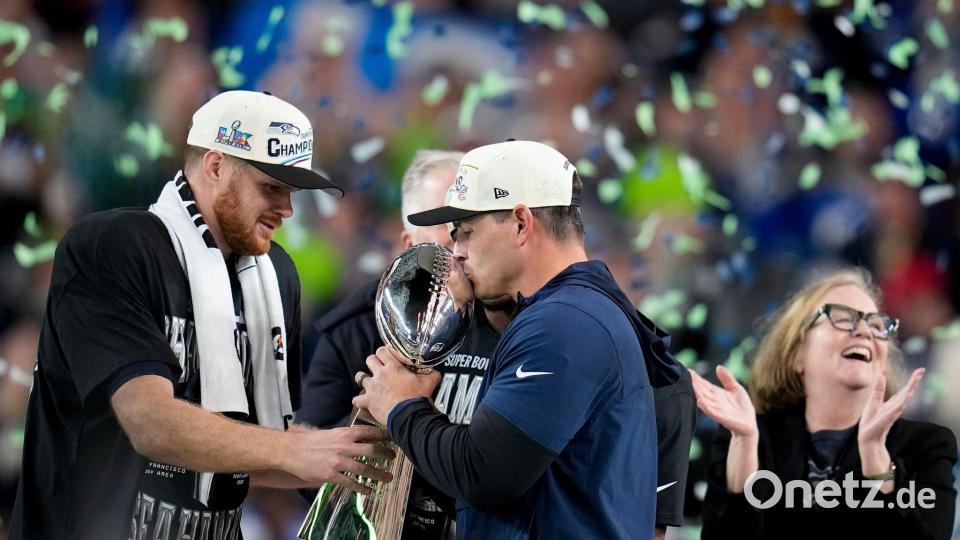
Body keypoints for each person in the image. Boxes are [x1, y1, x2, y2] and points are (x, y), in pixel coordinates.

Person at [10, 90, 394, 540]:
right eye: (271, 188)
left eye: (291, 192)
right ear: (215, 167)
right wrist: (299, 448)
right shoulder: (113, 247)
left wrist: (354, 453)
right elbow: (148, 421)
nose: (287, 210)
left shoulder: (275, 276)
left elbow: (254, 454)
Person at [353, 140, 683, 539]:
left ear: (521, 223)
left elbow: (484, 475)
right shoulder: (574, 311)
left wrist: (401, 405)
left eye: (466, 232)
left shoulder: (564, 322)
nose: (456, 252)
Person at [298, 149, 508, 539]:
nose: (458, 240)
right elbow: (306, 465)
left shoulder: (512, 317)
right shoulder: (357, 326)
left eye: (469, 223)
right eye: (445, 224)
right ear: (408, 242)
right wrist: (377, 420)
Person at [693, 268, 957, 539]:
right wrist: (745, 443)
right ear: (797, 354)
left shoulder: (926, 446)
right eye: (842, 318)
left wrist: (877, 463)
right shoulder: (753, 439)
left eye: (878, 325)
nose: (865, 331)